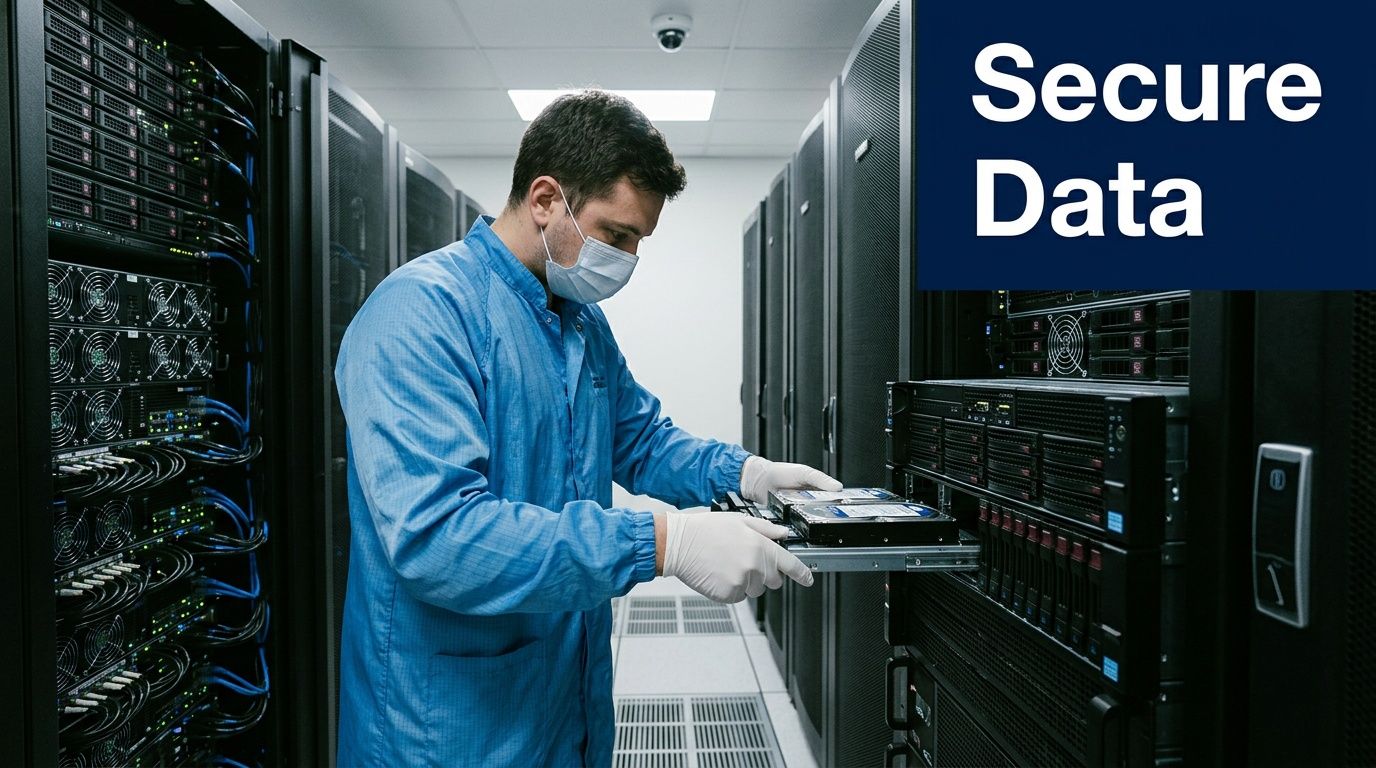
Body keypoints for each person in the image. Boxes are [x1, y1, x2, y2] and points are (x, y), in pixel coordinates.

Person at [334, 90, 840, 767]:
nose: (629, 259)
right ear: (546, 199)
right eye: (617, 235)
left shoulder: (576, 319)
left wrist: (747, 473)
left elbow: (640, 439)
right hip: (447, 726)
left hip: (561, 700)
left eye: (640, 242)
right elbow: (437, 536)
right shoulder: (419, 314)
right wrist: (662, 542)